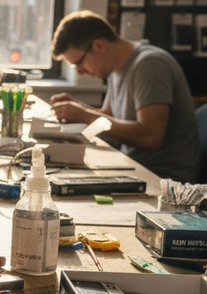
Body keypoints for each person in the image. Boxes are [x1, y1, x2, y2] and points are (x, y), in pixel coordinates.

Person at [50, 10, 199, 182]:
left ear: (99, 45)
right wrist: (79, 109)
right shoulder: (116, 68)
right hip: (135, 167)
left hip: (163, 178)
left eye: (78, 64)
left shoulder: (149, 65)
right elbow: (109, 119)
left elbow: (150, 137)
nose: (81, 73)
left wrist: (84, 115)